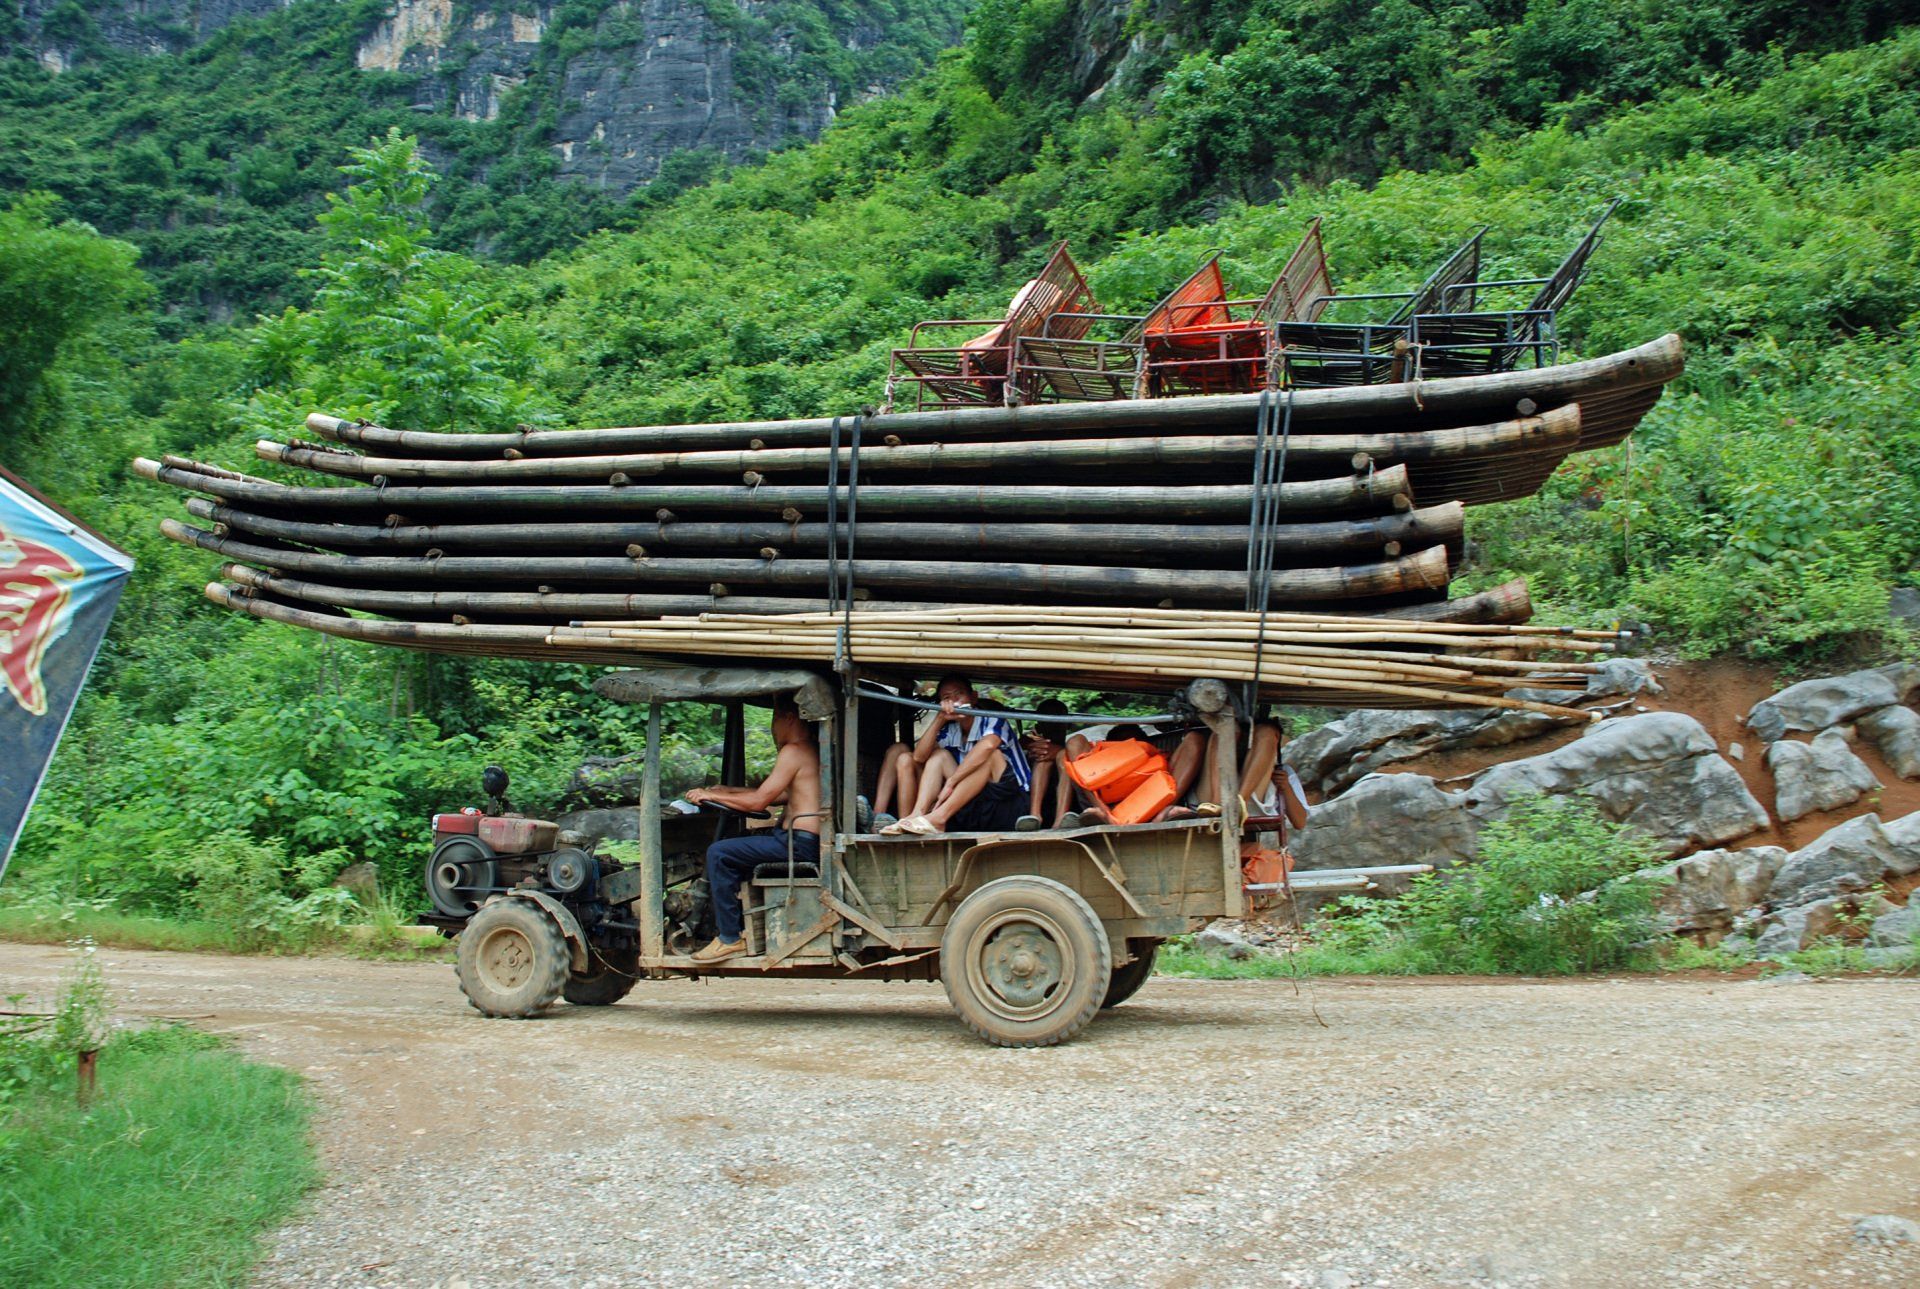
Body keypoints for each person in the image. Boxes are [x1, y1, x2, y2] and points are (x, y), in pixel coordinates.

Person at [684, 696, 822, 964]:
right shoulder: (810, 750)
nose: (773, 728)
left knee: (718, 853)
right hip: (798, 840)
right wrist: (728, 791)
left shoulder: (794, 751)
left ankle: (729, 938)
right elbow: (781, 795)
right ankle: (746, 923)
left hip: (797, 844)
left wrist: (709, 795)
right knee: (740, 844)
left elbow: (759, 802)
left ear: (789, 718)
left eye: (775, 720)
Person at [881, 675, 1030, 836]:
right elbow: (919, 757)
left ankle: (939, 817)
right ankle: (916, 814)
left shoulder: (993, 719)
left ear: (973, 697)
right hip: (975, 806)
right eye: (947, 698)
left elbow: (987, 746)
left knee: (991, 755)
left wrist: (951, 782)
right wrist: (940, 719)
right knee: (939, 756)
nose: (954, 702)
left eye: (959, 694)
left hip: (1011, 805)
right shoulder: (951, 730)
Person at [1016, 698, 1072, 830]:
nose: (1053, 725)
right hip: (1031, 805)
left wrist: (1059, 751)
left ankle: (1060, 819)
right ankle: (1034, 816)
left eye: (1058, 720)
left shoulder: (1074, 750)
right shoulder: (1032, 750)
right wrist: (1027, 747)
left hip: (1070, 806)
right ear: (1038, 726)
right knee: (1043, 758)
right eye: (1047, 721)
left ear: (1069, 724)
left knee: (1063, 757)